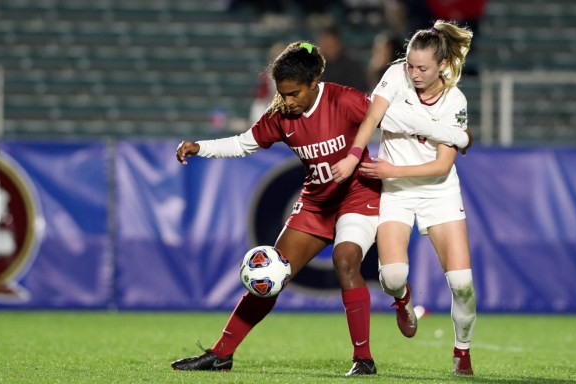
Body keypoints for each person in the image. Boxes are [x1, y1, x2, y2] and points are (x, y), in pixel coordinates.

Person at [171, 41, 382, 376]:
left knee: (346, 261)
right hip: (316, 203)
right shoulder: (281, 116)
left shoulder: (344, 99)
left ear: (314, 83)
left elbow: (390, 116)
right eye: (282, 94)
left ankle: (363, 359)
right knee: (270, 277)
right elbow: (243, 143)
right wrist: (201, 147)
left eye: (294, 93)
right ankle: (221, 354)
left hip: (357, 196)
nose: (287, 101)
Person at [331, 20, 477, 376]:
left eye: (422, 68)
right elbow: (372, 116)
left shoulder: (455, 99)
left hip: (437, 193)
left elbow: (442, 166)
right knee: (393, 277)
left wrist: (392, 171)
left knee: (462, 285)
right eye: (410, 64)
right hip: (397, 194)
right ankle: (403, 300)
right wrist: (353, 155)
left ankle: (462, 351)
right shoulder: (396, 75)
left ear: (442, 65)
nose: (413, 73)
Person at [316, 26, 368, 92]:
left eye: (330, 43)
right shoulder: (316, 67)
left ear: (338, 42)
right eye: (324, 43)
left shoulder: (352, 65)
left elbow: (359, 91)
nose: (326, 46)